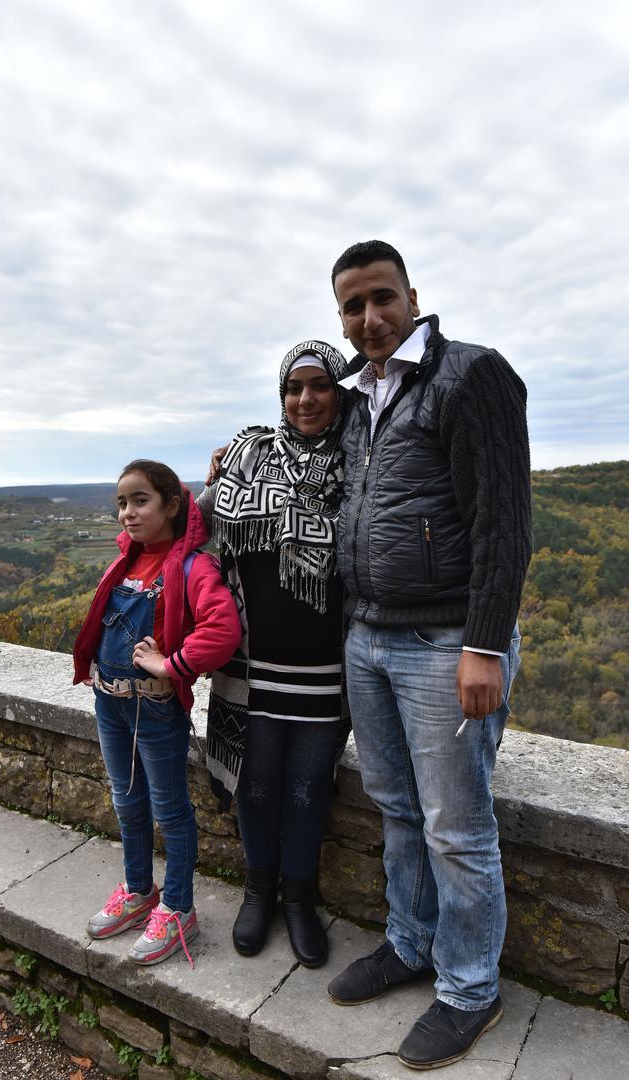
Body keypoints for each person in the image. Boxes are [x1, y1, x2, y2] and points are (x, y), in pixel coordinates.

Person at [325, 241, 532, 1071]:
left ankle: (470, 989)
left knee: (455, 825)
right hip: (369, 635)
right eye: (352, 305)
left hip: (445, 641)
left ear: (412, 297)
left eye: (382, 297)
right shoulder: (357, 395)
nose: (369, 317)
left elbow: (503, 523)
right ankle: (410, 943)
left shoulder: (469, 374)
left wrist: (483, 645)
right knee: (396, 807)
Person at [199, 340, 349, 969]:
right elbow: (194, 530)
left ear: (339, 392)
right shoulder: (247, 455)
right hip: (252, 667)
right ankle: (258, 891)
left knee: (309, 788)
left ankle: (299, 900)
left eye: (320, 386)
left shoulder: (361, 460)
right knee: (256, 786)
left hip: (325, 668)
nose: (305, 399)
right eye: (294, 388)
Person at [73, 459, 241, 968]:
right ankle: (139, 889)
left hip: (155, 708)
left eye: (140, 500)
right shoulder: (124, 563)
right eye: (121, 503)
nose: (128, 512)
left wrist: (171, 665)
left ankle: (178, 908)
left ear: (172, 505)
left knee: (170, 811)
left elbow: (222, 630)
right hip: (110, 704)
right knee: (127, 802)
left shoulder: (192, 567)